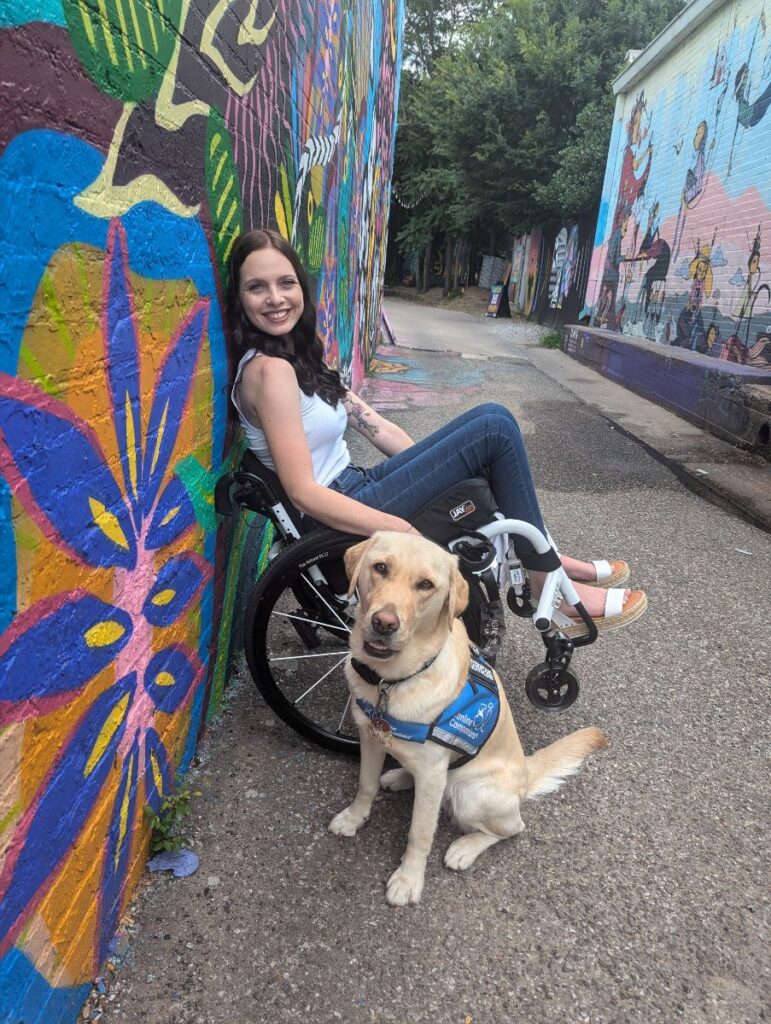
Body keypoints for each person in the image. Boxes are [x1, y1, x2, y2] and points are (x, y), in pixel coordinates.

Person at [226, 229, 647, 632]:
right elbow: (303, 492)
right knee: (494, 429)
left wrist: (436, 473)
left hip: (359, 484)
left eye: (286, 282)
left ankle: (547, 559)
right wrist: (401, 528)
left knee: (488, 431)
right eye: (257, 287)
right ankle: (547, 580)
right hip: (334, 519)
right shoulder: (270, 372)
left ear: (302, 287)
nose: (275, 298)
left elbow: (378, 428)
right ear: (239, 299)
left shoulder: (297, 359)